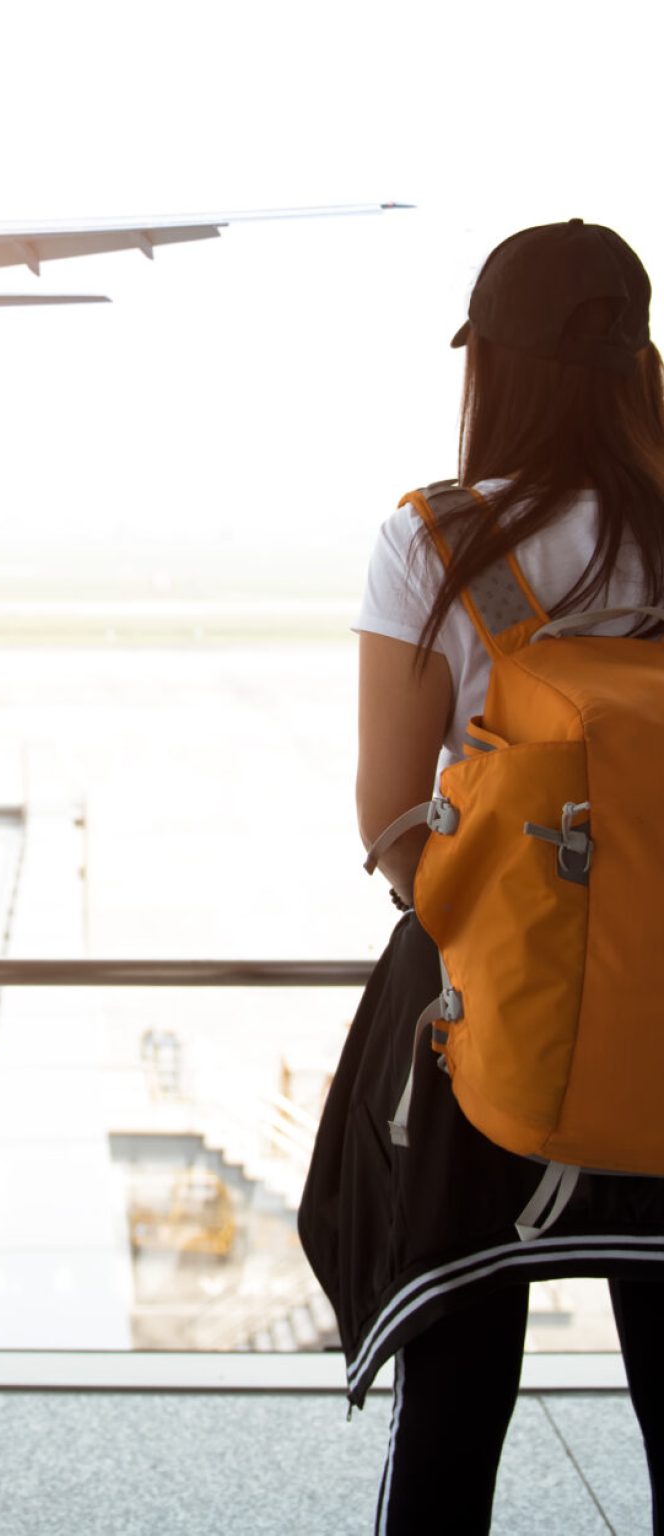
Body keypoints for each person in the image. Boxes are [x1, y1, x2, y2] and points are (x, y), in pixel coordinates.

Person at [298, 219, 664, 1534]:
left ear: (490, 366)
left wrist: (494, 911)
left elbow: (391, 817)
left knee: (455, 1405)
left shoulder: (437, 542)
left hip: (489, 1024)